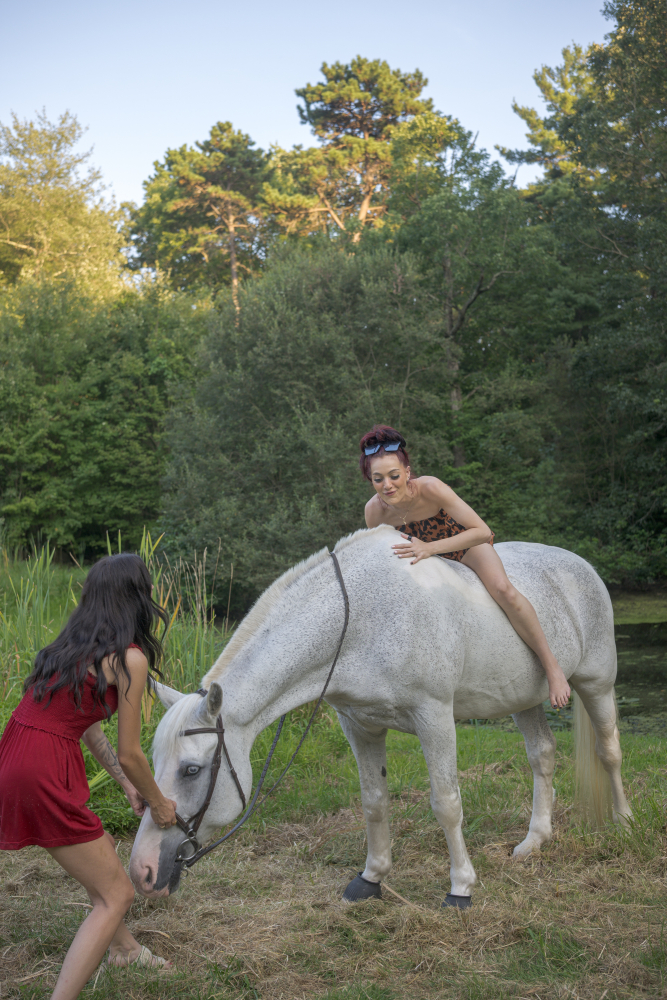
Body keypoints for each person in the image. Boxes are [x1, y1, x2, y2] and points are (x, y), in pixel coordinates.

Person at [0, 553, 179, 999]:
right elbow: (131, 753)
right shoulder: (129, 658)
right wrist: (159, 802)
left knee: (100, 857)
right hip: (41, 768)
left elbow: (86, 725)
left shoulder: (71, 647)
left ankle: (125, 949)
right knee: (117, 894)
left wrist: (125, 783)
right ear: (138, 598)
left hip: (15, 755)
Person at [360, 425, 571, 709]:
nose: (387, 485)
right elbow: (383, 558)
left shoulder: (431, 488)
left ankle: (552, 667)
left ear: (407, 472)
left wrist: (429, 547)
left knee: (504, 590)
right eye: (378, 479)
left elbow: (482, 531)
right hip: (426, 563)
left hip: (464, 544)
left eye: (394, 475)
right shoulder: (374, 511)